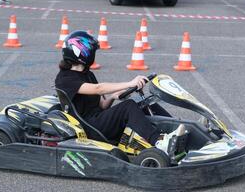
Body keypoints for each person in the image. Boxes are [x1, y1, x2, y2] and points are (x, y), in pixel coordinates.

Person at [55, 30, 185, 154]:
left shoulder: (87, 74)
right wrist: (130, 83)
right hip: (89, 127)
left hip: (99, 120)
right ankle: (160, 142)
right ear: (82, 52)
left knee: (145, 103)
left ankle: (179, 129)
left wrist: (112, 96)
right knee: (128, 106)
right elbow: (98, 88)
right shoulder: (65, 79)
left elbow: (101, 105)